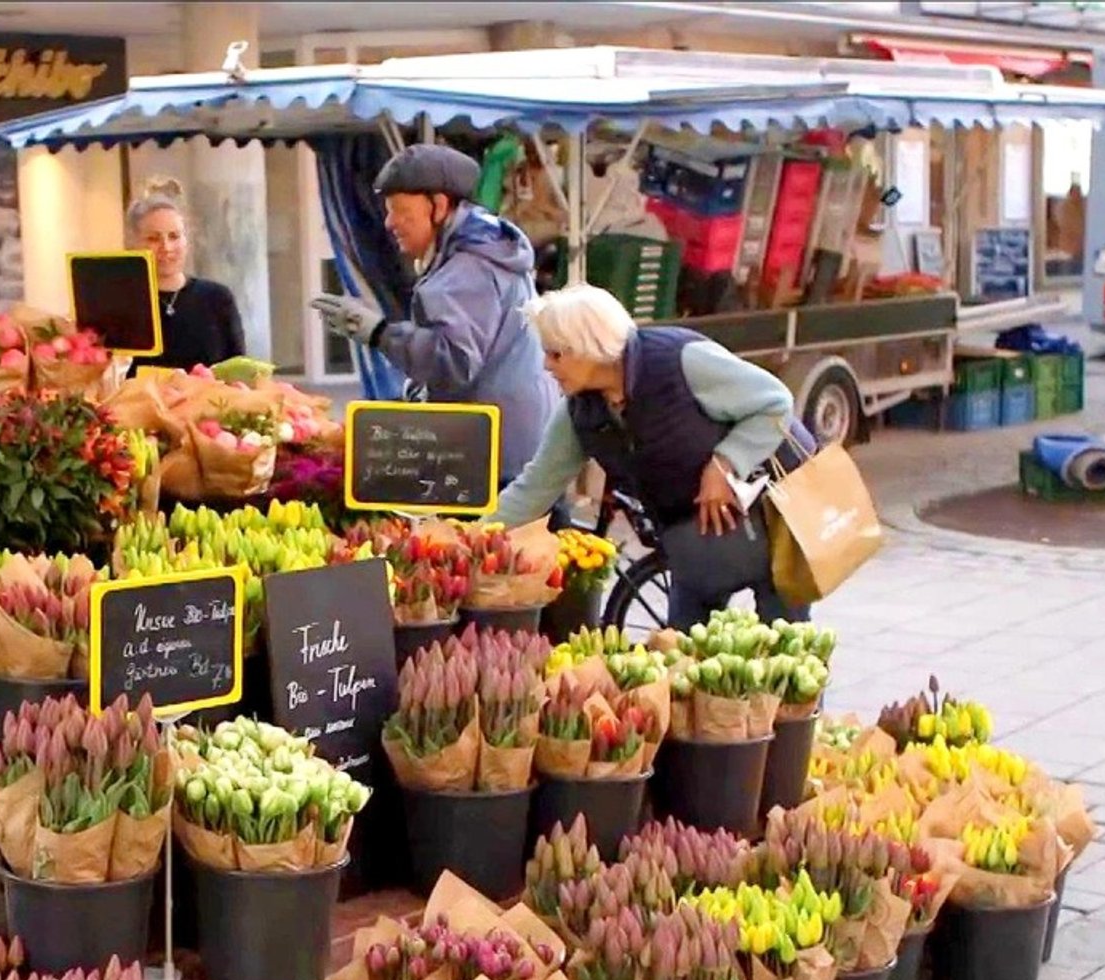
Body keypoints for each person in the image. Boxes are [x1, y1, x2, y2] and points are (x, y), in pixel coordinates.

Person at [491, 284, 815, 629]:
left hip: (774, 518)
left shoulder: (680, 361)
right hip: (694, 543)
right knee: (683, 650)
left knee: (785, 646)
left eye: (556, 355)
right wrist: (469, 537)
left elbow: (775, 402)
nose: (547, 366)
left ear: (590, 346)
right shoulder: (578, 412)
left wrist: (725, 463)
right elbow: (535, 487)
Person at [309, 143, 554, 485]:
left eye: (401, 211)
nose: (390, 222)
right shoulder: (488, 250)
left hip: (494, 460)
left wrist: (380, 333)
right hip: (522, 445)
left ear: (439, 206)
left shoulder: (465, 271)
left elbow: (454, 362)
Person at [125, 178, 246, 372]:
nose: (166, 248)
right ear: (135, 243)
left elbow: (239, 371)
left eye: (174, 236)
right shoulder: (121, 304)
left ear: (187, 240)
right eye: (153, 239)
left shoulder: (218, 298)